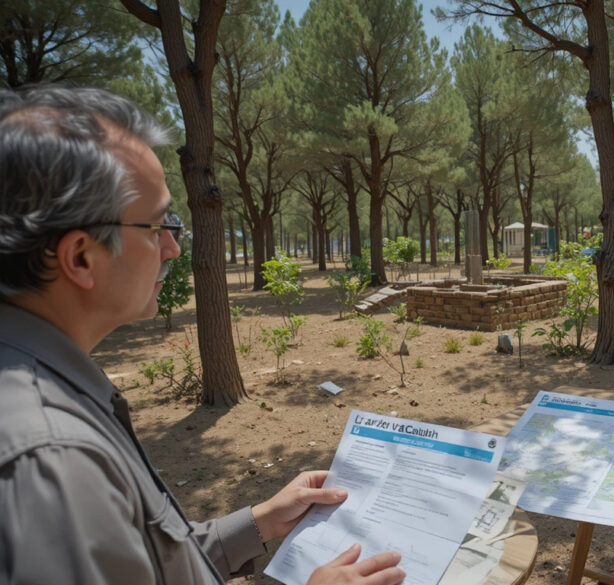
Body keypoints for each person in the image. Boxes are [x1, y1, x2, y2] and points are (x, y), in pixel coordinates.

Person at [0, 86, 404, 585]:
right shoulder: (51, 461)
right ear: (81, 257)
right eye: (158, 226)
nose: (172, 248)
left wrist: (257, 523)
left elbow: (148, 562)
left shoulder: (40, 387)